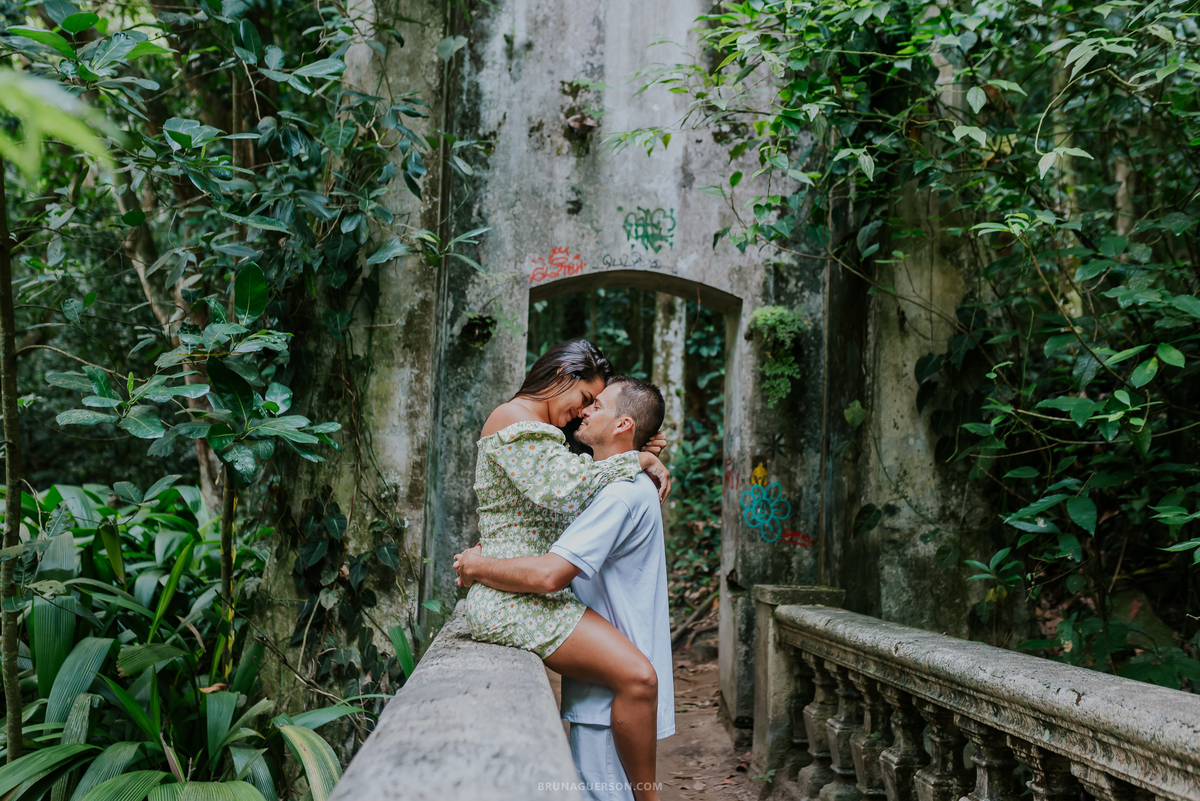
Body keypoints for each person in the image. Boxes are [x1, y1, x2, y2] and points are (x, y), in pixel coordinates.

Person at [461, 340, 669, 801]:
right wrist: (634, 457)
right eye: (585, 399)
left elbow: (573, 484)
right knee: (639, 677)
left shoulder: (542, 435)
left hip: (531, 589)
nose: (583, 412)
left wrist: (629, 446)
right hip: (517, 595)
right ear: (561, 377)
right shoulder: (514, 418)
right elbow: (565, 488)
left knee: (638, 680)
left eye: (596, 405)